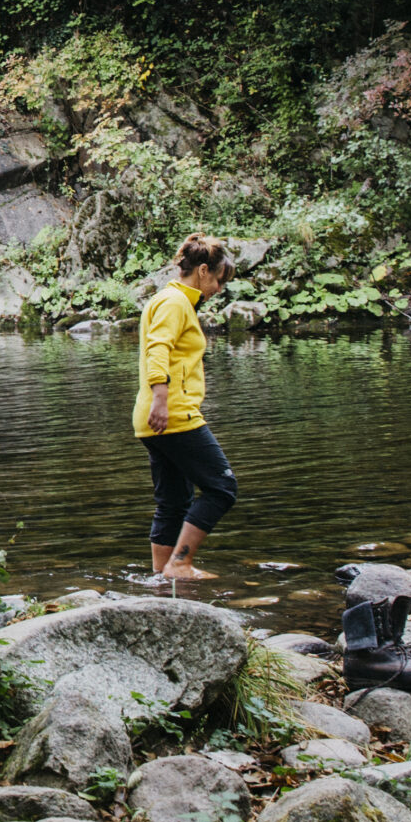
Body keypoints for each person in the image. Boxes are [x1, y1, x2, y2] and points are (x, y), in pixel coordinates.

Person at [135, 233, 237, 582]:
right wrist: (162, 400)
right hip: (173, 414)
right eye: (220, 280)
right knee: (222, 488)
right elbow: (157, 349)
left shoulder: (169, 300)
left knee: (174, 501)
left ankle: (161, 577)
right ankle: (180, 564)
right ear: (204, 270)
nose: (219, 289)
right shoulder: (175, 303)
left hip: (153, 419)